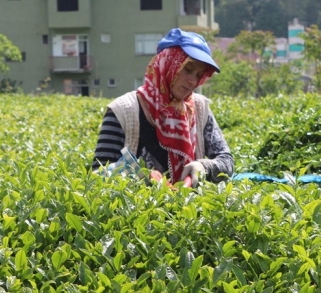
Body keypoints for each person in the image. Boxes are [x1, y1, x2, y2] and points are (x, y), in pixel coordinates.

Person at [91, 28, 234, 187]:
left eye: (199, 75)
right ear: (168, 64)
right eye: (188, 70)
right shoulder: (123, 111)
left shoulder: (200, 109)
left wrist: (204, 167)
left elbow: (226, 161)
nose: (193, 81)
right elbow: (98, 174)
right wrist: (137, 175)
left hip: (188, 210)